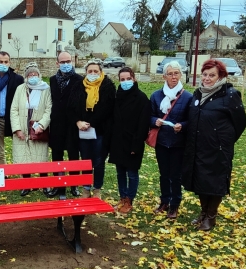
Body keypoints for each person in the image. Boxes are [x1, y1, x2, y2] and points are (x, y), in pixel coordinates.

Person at [182, 59, 246, 231]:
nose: (207, 78)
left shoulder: (230, 95)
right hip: (198, 146)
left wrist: (223, 140)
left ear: (221, 76)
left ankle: (211, 216)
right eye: (205, 74)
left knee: (215, 182)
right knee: (201, 180)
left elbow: (240, 123)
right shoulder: (198, 94)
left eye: (212, 75)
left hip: (218, 149)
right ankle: (203, 212)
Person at [149, 61, 193, 219]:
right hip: (162, 141)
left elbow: (192, 120)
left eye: (176, 73)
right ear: (164, 76)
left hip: (178, 143)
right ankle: (164, 201)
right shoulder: (156, 95)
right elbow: (150, 115)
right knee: (164, 174)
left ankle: (175, 204)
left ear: (181, 75)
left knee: (176, 175)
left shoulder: (188, 97)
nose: (173, 77)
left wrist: (183, 125)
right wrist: (155, 121)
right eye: (170, 73)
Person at [108, 67, 150, 213]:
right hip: (118, 142)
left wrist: (136, 145)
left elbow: (143, 124)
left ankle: (129, 200)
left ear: (134, 78)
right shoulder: (117, 96)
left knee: (132, 173)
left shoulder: (141, 98)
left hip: (133, 141)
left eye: (128, 79)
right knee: (120, 172)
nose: (125, 82)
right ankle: (122, 197)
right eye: (122, 79)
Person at [9, 62, 52, 197]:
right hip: (22, 128)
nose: (33, 76)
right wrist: (17, 129)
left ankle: (44, 184)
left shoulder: (46, 89)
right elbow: (14, 109)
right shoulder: (20, 89)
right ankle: (26, 184)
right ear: (26, 76)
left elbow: (49, 109)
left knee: (41, 158)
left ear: (39, 75)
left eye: (35, 74)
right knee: (25, 158)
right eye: (30, 74)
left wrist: (42, 125)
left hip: (38, 128)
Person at [76, 61, 115, 199]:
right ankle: (86, 188)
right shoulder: (79, 86)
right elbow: (72, 106)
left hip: (100, 130)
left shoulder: (108, 86)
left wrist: (92, 123)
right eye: (90, 71)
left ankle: (97, 188)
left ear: (100, 71)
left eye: (95, 71)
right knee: (85, 159)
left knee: (99, 160)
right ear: (86, 72)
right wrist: (78, 121)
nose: (93, 74)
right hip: (83, 130)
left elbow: (107, 108)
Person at [48, 51, 84, 198]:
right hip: (56, 124)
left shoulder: (79, 80)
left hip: (72, 124)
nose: (65, 64)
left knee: (73, 155)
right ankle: (58, 184)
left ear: (73, 61)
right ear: (57, 63)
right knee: (57, 155)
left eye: (68, 61)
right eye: (62, 62)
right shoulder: (52, 80)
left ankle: (74, 185)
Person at [0, 51, 24, 165]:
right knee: (0, 151)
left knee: (20, 148)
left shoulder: (17, 79)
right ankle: (3, 173)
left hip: (13, 119)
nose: (3, 64)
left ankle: (22, 171)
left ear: (9, 62)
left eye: (6, 62)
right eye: (1, 61)